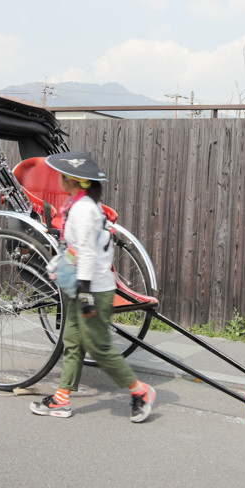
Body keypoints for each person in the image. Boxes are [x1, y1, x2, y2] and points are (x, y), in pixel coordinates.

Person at [30, 150, 156, 423]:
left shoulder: (84, 209)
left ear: (73, 181)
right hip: (84, 285)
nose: (60, 180)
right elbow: (80, 249)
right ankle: (62, 400)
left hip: (93, 289)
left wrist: (85, 293)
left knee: (99, 347)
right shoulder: (84, 205)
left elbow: (86, 252)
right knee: (72, 341)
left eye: (64, 176)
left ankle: (140, 391)